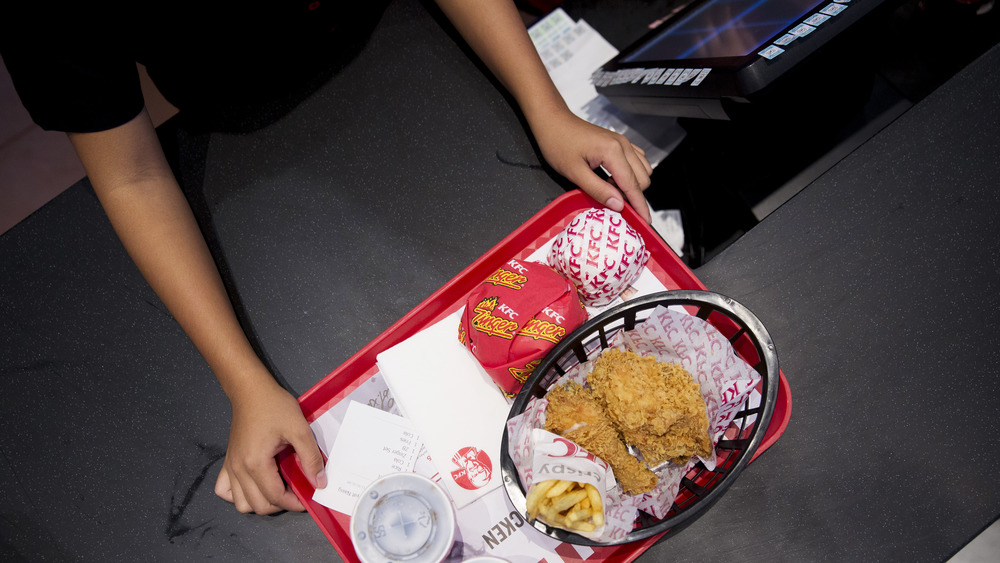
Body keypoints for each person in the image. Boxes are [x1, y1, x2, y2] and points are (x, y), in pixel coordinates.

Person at [2, 0, 652, 515]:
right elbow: (131, 176)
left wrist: (544, 107)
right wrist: (244, 380)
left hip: (408, 49)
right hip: (244, 138)